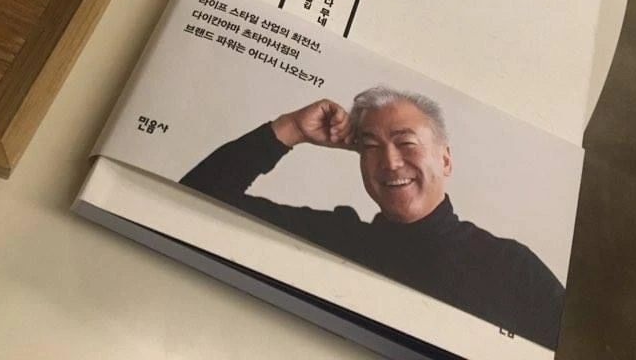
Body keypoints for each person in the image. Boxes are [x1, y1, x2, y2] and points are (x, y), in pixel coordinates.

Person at [181, 86, 565, 350]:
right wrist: (291, 129)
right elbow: (195, 199)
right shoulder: (333, 240)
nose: (390, 162)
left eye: (405, 142)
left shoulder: (511, 267)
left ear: (445, 159)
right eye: (371, 147)